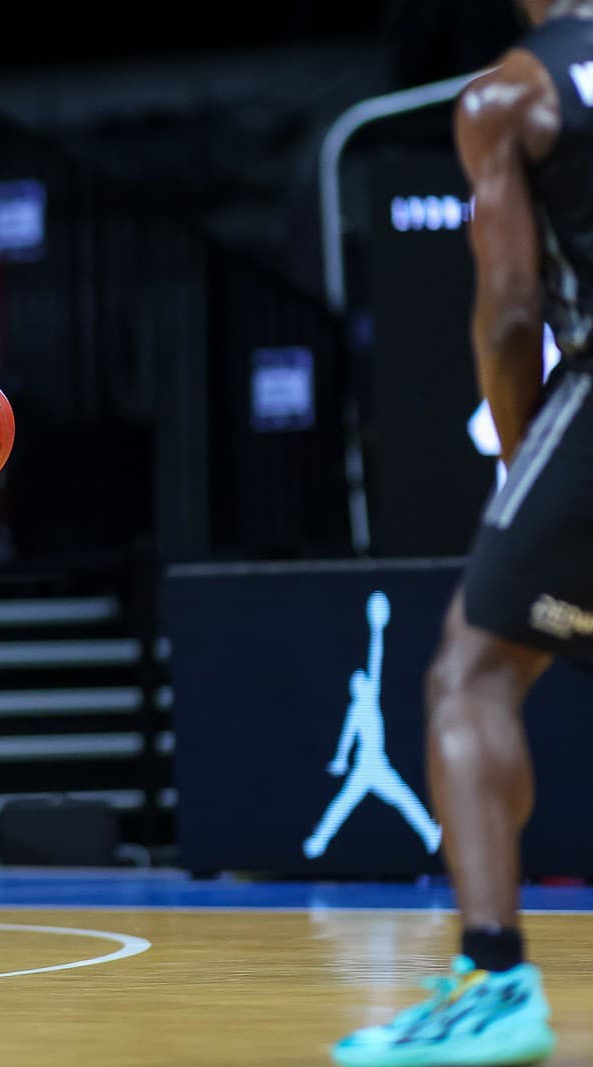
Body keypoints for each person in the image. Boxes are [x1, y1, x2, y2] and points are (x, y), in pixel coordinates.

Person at [333, 4, 582, 1064]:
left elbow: (512, 306)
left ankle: (492, 978)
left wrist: (524, 459)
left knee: (469, 675)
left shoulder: (512, 92)